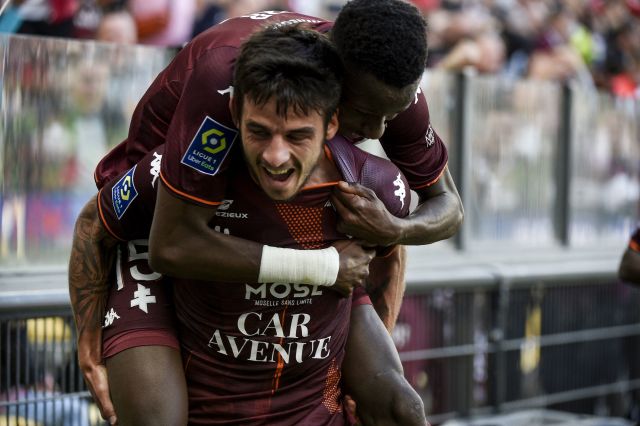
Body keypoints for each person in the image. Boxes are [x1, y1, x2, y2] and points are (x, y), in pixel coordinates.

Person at [73, 0, 462, 423]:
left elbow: (447, 208)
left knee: (401, 408)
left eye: (392, 115)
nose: (376, 132)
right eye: (366, 113)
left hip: (263, 231)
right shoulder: (228, 87)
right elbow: (166, 242)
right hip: (164, 218)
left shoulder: (386, 90)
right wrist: (324, 267)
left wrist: (394, 228)